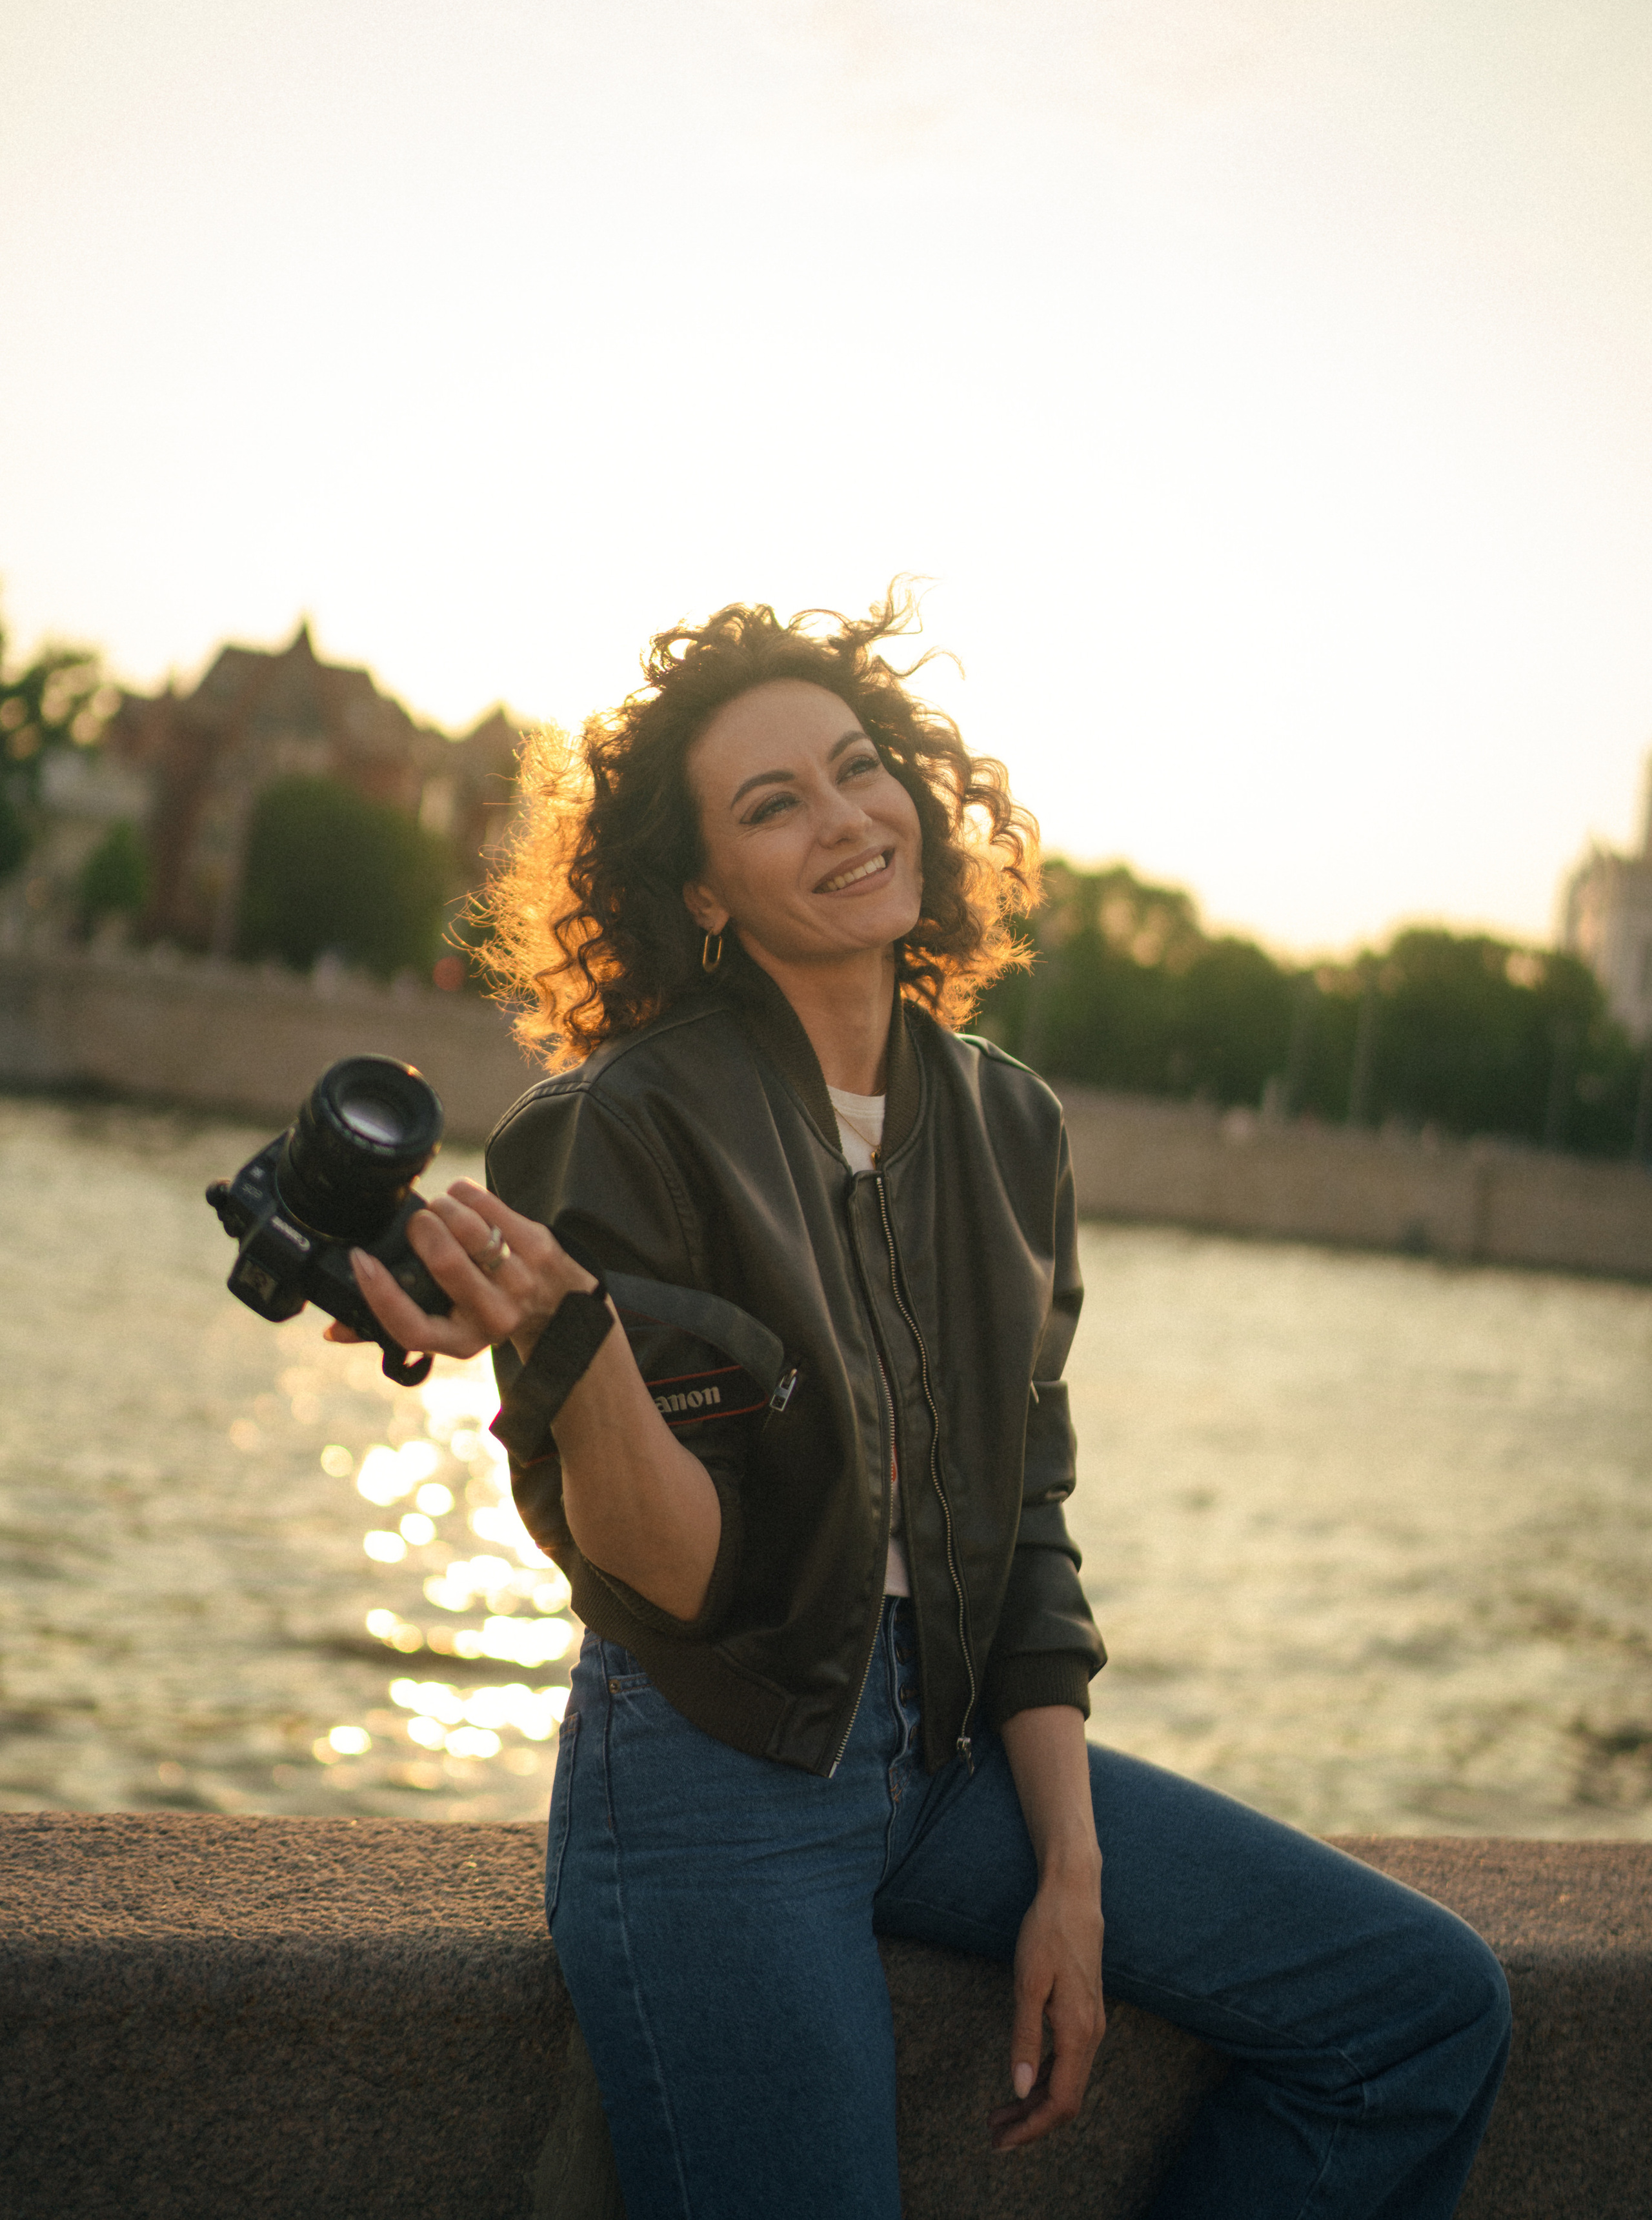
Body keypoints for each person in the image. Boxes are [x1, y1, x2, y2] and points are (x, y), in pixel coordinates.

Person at [341, 598, 1511, 2220]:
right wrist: (574, 1342)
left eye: (857, 767)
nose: (844, 819)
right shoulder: (617, 1124)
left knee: (1419, 2011)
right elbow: (678, 1580)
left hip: (956, 1754)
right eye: (773, 804)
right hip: (713, 1767)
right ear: (700, 892)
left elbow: (1023, 1522)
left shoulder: (1010, 1124)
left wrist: (1072, 1873)